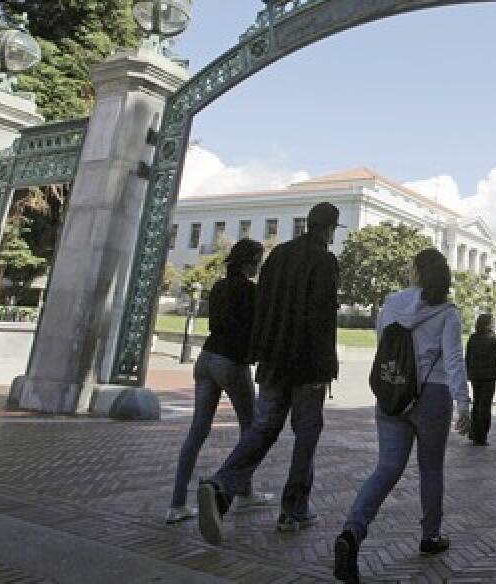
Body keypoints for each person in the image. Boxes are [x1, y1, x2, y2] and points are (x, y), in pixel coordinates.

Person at [197, 201, 342, 545]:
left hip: (273, 361)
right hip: (306, 363)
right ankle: (293, 510)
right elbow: (323, 319)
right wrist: (327, 366)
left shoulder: (276, 258)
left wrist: (259, 351)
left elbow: (261, 307)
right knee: (306, 434)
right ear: (330, 228)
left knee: (262, 429)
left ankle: (220, 486)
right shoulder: (325, 261)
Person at [333, 248, 471, 584]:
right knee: (431, 468)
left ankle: (352, 531)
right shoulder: (447, 312)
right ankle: (430, 535)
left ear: (417, 272)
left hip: (392, 391)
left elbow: (384, 344)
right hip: (432, 395)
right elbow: (453, 360)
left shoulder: (391, 303)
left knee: (387, 468)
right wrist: (464, 403)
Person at [166, 238, 269, 524]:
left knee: (197, 431)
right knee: (252, 429)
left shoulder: (220, 287)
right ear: (250, 262)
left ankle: (177, 503)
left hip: (206, 358)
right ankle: (237, 487)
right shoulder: (250, 291)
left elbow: (215, 325)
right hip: (231, 362)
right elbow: (253, 328)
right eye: (257, 261)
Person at [465, 313, 496, 444]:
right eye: (492, 321)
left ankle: (473, 432)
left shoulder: (473, 338)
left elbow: (468, 357)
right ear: (488, 323)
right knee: (485, 405)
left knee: (477, 404)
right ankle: (481, 436)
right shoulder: (494, 338)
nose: (494, 324)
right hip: (489, 376)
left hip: (475, 376)